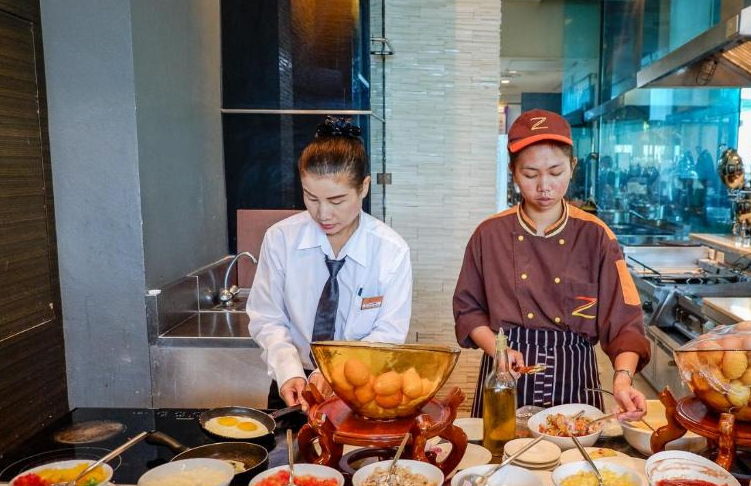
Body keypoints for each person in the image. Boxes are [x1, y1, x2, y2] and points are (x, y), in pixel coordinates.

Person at [453, 109, 651, 420]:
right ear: (512, 171)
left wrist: (623, 379)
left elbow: (625, 321)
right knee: (499, 449)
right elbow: (468, 309)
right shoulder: (489, 234)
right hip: (507, 373)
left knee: (576, 452)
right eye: (530, 174)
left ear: (573, 166)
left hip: (575, 377)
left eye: (556, 172)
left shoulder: (596, 236)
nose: (544, 186)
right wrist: (498, 350)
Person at [246, 117, 413, 418]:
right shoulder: (281, 239)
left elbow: (389, 332)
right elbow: (267, 318)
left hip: (359, 385)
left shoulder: (391, 250)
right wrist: (288, 371)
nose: (323, 214)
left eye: (337, 200)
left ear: (364, 187)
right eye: (311, 198)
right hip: (293, 383)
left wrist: (338, 370)